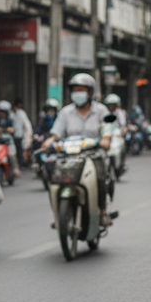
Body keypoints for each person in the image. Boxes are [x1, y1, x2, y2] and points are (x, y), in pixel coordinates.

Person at [44, 73, 113, 226]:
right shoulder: (65, 112)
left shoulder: (101, 110)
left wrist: (106, 138)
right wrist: (49, 141)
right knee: (52, 175)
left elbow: (109, 127)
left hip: (93, 154)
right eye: (75, 90)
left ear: (90, 92)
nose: (78, 93)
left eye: (81, 90)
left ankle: (102, 211)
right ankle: (58, 214)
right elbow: (56, 133)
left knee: (100, 176)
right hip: (69, 155)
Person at [12, 98, 34, 166]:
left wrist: (29, 134)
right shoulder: (12, 114)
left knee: (20, 150)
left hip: (19, 135)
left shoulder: (21, 113)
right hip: (14, 135)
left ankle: (21, 164)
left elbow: (27, 125)